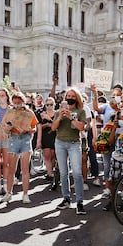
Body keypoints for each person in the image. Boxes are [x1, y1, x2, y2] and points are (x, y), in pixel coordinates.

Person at [52, 87, 88, 215]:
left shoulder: (81, 111)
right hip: (60, 143)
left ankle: (80, 202)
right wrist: (60, 117)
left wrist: (71, 118)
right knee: (63, 173)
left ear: (77, 98)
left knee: (77, 173)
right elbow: (53, 127)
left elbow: (82, 127)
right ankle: (66, 198)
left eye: (73, 96)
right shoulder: (58, 112)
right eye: (68, 95)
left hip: (74, 143)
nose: (70, 98)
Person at [2, 92, 38, 204]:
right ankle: (8, 193)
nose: (17, 104)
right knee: (11, 168)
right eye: (15, 102)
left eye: (19, 102)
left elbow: (34, 127)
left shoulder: (28, 112)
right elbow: (4, 128)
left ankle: (25, 194)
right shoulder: (10, 112)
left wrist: (27, 130)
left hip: (25, 139)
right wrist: (8, 128)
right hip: (13, 139)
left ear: (23, 101)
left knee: (25, 169)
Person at [36, 96, 58, 185]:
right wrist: (39, 140)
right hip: (45, 136)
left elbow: (58, 126)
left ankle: (51, 171)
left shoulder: (57, 114)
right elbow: (38, 127)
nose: (49, 106)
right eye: (47, 104)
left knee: (53, 155)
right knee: (47, 155)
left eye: (51, 104)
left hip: (55, 136)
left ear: (54, 104)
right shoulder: (41, 114)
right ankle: (50, 173)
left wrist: (50, 121)